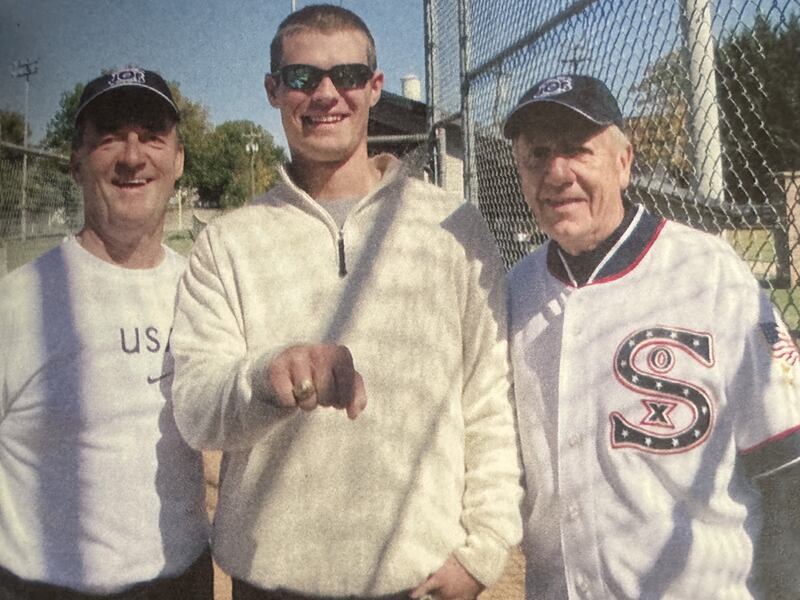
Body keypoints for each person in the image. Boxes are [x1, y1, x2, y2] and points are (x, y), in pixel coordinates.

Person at [169, 4, 523, 600]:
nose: (326, 93)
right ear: (273, 91)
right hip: (271, 581)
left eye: (349, 75)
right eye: (303, 78)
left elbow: (490, 401)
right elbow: (196, 409)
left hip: (417, 580)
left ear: (375, 88)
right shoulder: (226, 243)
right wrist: (267, 377)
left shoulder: (453, 228)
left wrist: (482, 552)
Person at [505, 73, 800, 599]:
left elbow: (788, 467)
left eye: (578, 150)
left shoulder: (709, 271)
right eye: (537, 155)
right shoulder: (515, 291)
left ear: (623, 162)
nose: (557, 172)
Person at [0, 66, 211, 599]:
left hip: (185, 580)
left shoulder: (205, 292)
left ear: (179, 160)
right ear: (75, 160)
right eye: (111, 135)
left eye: (152, 136)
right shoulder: (18, 302)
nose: (133, 156)